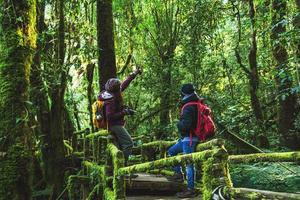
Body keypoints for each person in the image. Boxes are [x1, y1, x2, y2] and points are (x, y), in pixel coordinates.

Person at [101, 68, 142, 166]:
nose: (120, 88)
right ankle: (122, 166)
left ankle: (119, 167)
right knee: (128, 143)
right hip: (113, 125)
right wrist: (124, 112)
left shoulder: (113, 93)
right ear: (115, 89)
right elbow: (109, 117)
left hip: (116, 124)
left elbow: (124, 84)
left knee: (119, 146)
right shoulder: (110, 100)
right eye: (118, 87)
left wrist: (134, 74)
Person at [167, 83, 200, 198]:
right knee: (171, 151)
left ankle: (190, 190)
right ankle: (179, 174)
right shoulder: (196, 103)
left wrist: (178, 124)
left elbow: (186, 125)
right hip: (187, 139)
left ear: (184, 93)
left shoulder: (188, 107)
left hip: (189, 139)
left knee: (189, 164)